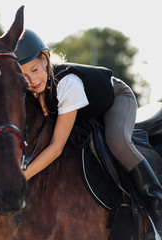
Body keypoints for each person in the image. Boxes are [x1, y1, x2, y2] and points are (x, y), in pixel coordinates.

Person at [15, 29, 162, 238]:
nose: (31, 80)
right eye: (23, 75)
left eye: (34, 69)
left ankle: (157, 204)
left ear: (45, 59)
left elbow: (56, 147)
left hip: (117, 98)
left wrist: (23, 176)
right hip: (87, 112)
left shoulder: (67, 84)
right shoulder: (31, 92)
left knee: (117, 140)